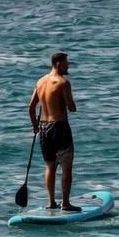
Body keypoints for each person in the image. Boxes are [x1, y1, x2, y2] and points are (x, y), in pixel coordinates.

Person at [27, 51, 82, 211]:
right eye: (66, 62)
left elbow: (31, 108)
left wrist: (35, 126)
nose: (68, 65)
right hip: (60, 127)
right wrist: (70, 106)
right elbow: (71, 107)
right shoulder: (63, 83)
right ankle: (65, 203)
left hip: (44, 128)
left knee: (50, 166)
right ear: (58, 63)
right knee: (66, 165)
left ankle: (51, 202)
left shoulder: (40, 82)